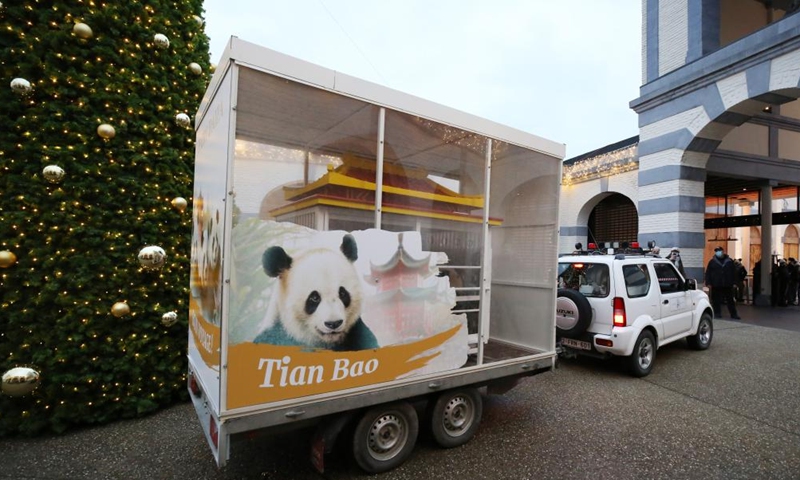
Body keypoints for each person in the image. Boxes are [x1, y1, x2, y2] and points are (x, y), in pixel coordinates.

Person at [705, 246, 741, 319]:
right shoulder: (712, 262)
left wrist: (735, 282)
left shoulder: (729, 261)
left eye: (719, 251)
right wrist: (708, 283)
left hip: (728, 284)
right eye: (716, 251)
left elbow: (734, 272)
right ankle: (717, 313)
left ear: (723, 251)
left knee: (730, 300)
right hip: (716, 284)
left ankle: (734, 314)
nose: (718, 252)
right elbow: (708, 273)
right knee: (716, 300)